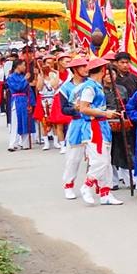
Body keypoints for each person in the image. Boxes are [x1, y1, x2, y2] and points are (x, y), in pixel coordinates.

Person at [69, 57, 123, 206]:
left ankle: (105, 193)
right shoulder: (89, 87)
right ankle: (87, 185)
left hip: (102, 126)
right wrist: (105, 113)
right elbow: (84, 108)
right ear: (102, 70)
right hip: (93, 128)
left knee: (106, 162)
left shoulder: (96, 86)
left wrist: (106, 113)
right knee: (101, 161)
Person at [60, 57, 90, 198]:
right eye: (82, 66)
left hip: (92, 122)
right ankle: (68, 185)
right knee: (74, 157)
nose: (86, 69)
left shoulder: (91, 84)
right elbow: (64, 109)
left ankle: (96, 186)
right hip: (77, 123)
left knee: (97, 156)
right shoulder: (65, 88)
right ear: (75, 70)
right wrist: (75, 109)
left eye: (86, 66)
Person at [5, 57, 35, 151]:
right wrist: (25, 80)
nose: (25, 67)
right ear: (18, 66)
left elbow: (29, 90)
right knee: (16, 122)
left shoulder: (23, 77)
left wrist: (31, 103)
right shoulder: (10, 77)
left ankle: (25, 143)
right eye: (23, 65)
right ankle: (13, 143)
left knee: (25, 120)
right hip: (17, 99)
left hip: (25, 100)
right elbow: (17, 88)